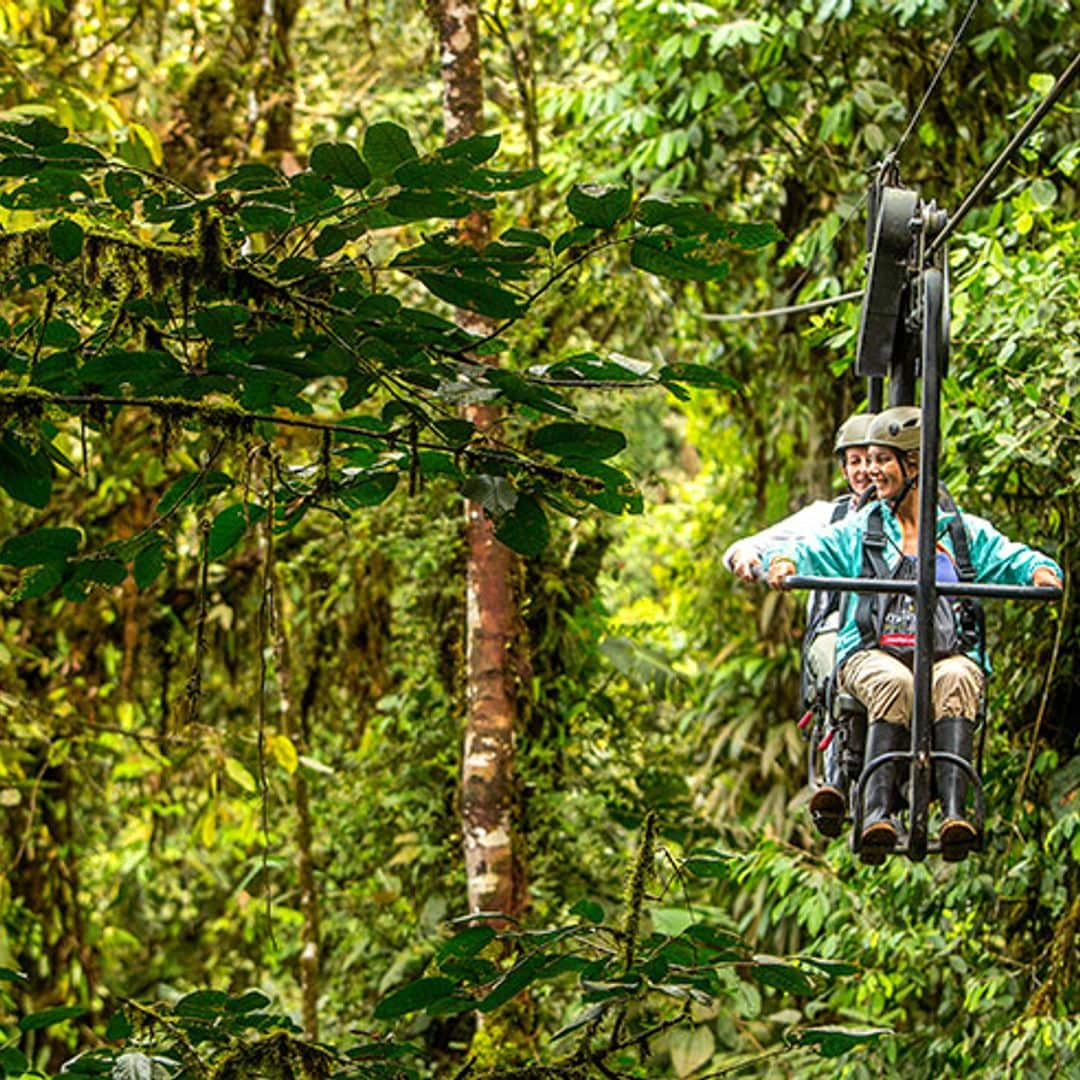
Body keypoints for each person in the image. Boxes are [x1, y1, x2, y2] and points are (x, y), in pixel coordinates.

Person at [766, 406, 1063, 862]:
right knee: (894, 683)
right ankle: (876, 811)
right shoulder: (864, 528)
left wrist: (1041, 571)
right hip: (872, 652)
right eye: (870, 459)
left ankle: (954, 811)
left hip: (943, 650)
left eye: (884, 460)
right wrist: (787, 565)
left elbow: (1010, 556)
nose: (874, 472)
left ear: (913, 465)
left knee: (958, 679)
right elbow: (815, 550)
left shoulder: (957, 531)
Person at [724, 412, 876, 834]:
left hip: (895, 626)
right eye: (856, 461)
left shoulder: (916, 517)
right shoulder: (828, 518)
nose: (865, 470)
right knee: (837, 659)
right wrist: (751, 557)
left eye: (873, 460)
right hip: (840, 627)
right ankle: (840, 775)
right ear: (844, 469)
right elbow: (755, 545)